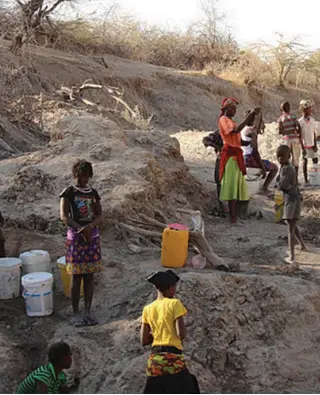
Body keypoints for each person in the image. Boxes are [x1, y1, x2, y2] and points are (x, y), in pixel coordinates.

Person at [141, 270, 199, 394]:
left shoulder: (147, 309)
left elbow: (144, 340)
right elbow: (180, 334)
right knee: (190, 387)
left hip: (155, 361)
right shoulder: (174, 304)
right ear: (170, 288)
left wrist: (158, 333)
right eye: (174, 287)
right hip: (173, 360)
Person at [60, 160, 103, 327]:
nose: (83, 180)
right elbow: (64, 216)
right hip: (76, 239)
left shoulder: (93, 193)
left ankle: (87, 312)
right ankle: (76, 312)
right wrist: (81, 229)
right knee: (77, 276)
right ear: (74, 175)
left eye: (86, 177)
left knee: (90, 275)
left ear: (90, 176)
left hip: (92, 237)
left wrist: (90, 227)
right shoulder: (68, 192)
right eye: (80, 176)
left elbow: (100, 215)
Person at [219, 97, 259, 223]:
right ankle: (233, 218)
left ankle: (235, 216)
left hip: (236, 155)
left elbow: (237, 140)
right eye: (233, 108)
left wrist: (248, 142)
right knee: (232, 188)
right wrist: (250, 115)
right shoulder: (224, 120)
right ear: (226, 108)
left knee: (235, 187)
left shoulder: (230, 121)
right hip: (230, 156)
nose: (234, 111)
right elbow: (235, 131)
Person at [276, 145, 306, 265]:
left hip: (291, 199)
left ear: (288, 156)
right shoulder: (287, 167)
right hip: (294, 198)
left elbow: (282, 185)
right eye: (278, 157)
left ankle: (292, 256)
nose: (279, 159)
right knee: (292, 223)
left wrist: (278, 183)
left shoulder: (287, 169)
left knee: (290, 228)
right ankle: (302, 245)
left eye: (281, 157)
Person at [241, 111, 278, 193]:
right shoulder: (252, 132)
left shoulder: (242, 130)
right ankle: (264, 188)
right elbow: (255, 152)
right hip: (250, 159)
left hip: (243, 158)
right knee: (274, 168)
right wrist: (263, 167)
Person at [278, 101, 304, 181]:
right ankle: (295, 180)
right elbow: (299, 128)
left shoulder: (280, 119)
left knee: (285, 159)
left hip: (286, 140)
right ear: (289, 108)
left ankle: (282, 178)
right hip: (295, 139)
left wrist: (287, 132)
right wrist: (298, 135)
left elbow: (280, 131)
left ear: (281, 109)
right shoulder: (294, 117)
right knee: (295, 160)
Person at [202, 129, 226, 215]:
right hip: (222, 160)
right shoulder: (220, 132)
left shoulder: (233, 130)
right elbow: (206, 140)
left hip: (231, 161)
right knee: (219, 182)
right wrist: (217, 147)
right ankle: (221, 205)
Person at [298, 100, 318, 185]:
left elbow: (313, 132)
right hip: (305, 145)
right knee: (305, 161)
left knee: (315, 160)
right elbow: (299, 135)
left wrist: (315, 144)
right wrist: (302, 147)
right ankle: (306, 180)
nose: (311, 110)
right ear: (304, 110)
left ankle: (315, 177)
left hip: (312, 144)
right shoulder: (300, 121)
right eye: (309, 109)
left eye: (310, 108)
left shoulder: (312, 120)